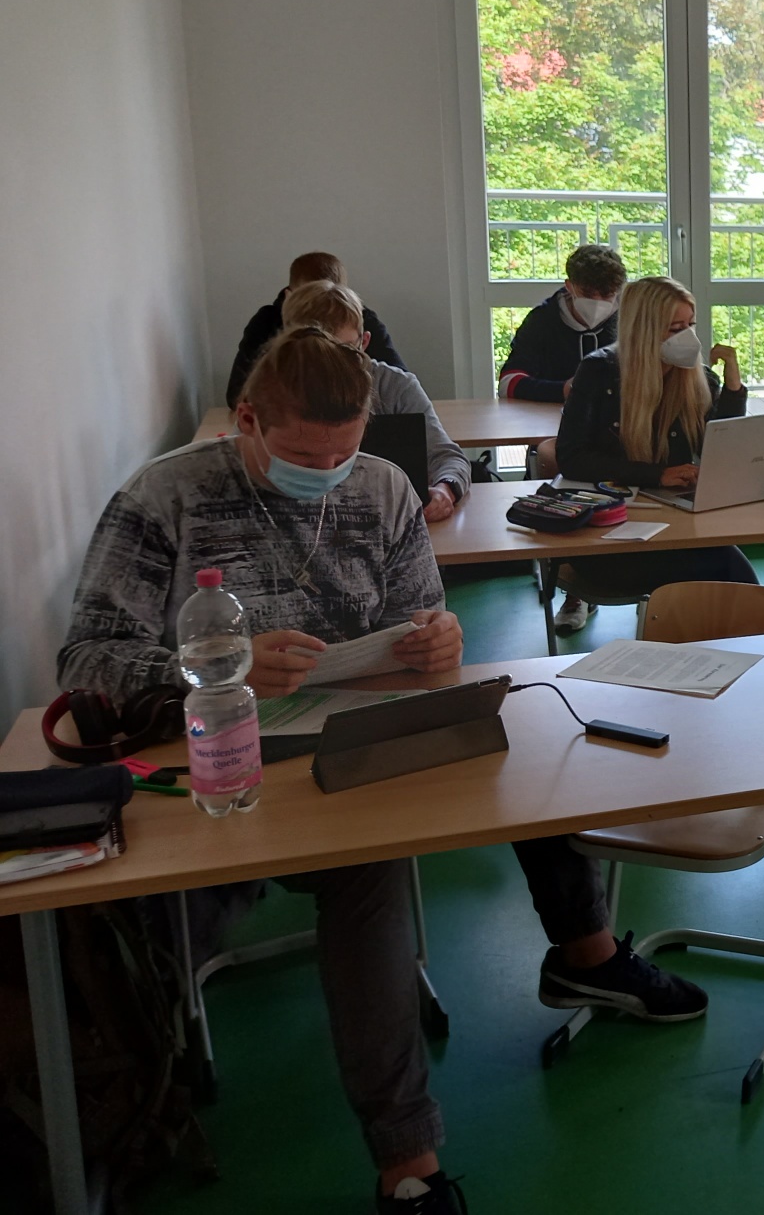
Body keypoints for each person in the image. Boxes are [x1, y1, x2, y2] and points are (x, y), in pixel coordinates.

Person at [59, 326, 469, 1212]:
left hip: (343, 754)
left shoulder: (382, 486)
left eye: (344, 451)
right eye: (305, 456)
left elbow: (419, 611)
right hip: (201, 770)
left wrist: (437, 638)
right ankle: (132, 1113)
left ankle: (408, 1162)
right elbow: (87, 658)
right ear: (246, 420)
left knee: (372, 870)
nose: (329, 471)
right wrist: (213, 668)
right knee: (134, 927)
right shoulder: (165, 496)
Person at [550, 275, 757, 630]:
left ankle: (730, 649)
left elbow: (719, 450)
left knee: (731, 569)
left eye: (690, 325)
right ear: (644, 330)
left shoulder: (697, 378)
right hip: (609, 535)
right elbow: (571, 458)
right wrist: (656, 475)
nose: (687, 336)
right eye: (675, 328)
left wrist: (734, 389)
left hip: (674, 526)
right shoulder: (600, 372)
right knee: (725, 569)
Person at [281, 281, 470, 523]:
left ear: (364, 342)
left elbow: (447, 457)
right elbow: (243, 463)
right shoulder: (273, 389)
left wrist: (446, 490)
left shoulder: (395, 386)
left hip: (389, 520)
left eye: (344, 350)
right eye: (318, 353)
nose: (332, 364)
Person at [499, 244, 627, 479]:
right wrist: (564, 390)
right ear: (570, 286)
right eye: (588, 293)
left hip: (620, 435)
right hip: (556, 432)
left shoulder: (628, 321)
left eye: (607, 295)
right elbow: (509, 382)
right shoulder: (542, 321)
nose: (597, 301)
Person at [226, 251, 404, 405]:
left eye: (345, 347)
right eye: (308, 299)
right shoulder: (267, 321)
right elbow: (239, 393)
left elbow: (397, 387)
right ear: (289, 296)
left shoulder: (362, 320)